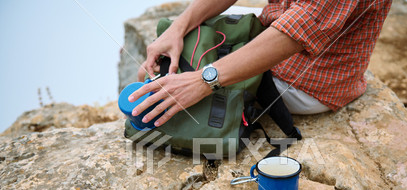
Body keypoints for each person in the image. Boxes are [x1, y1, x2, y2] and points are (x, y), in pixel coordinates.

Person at [128, 0, 392, 127]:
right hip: (276, 26)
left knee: (157, 81)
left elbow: (296, 32)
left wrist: (203, 80)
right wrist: (178, 27)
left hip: (306, 81)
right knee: (160, 60)